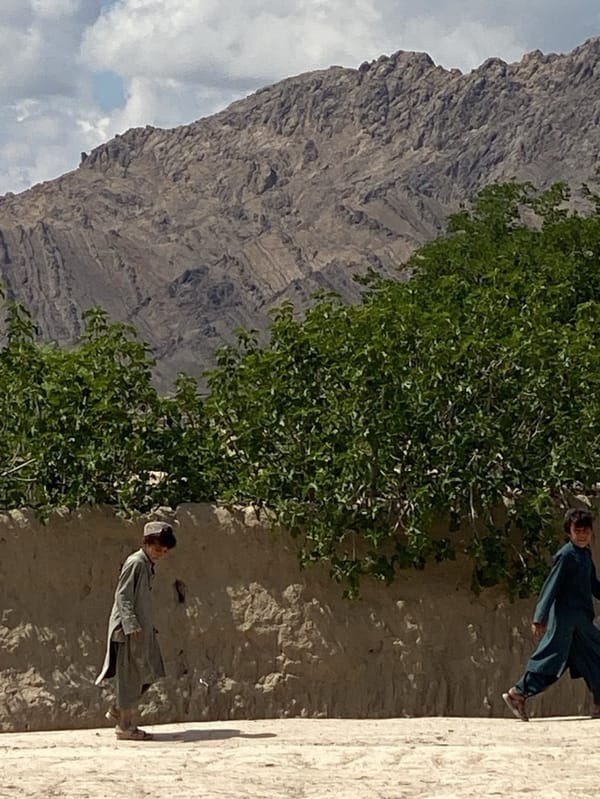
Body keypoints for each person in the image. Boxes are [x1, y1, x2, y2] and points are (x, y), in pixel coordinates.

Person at [502, 507, 600, 721]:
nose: (582, 535)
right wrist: (540, 617)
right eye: (578, 531)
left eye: (586, 531)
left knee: (595, 656)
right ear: (569, 532)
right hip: (564, 621)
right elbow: (551, 586)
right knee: (551, 659)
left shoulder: (585, 554)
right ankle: (518, 693)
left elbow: (594, 585)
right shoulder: (566, 556)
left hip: (581, 621)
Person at [95, 520, 177, 740]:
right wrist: (131, 625)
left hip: (142, 629)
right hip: (127, 630)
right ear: (148, 543)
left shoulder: (147, 564)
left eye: (165, 550)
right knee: (130, 677)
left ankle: (118, 708)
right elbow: (122, 596)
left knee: (152, 670)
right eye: (159, 548)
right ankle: (125, 727)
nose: (162, 553)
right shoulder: (136, 563)